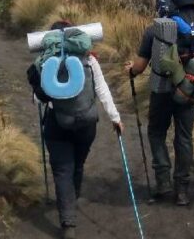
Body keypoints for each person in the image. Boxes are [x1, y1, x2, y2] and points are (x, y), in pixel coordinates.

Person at [28, 20, 124, 239]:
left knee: (62, 170)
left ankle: (68, 223)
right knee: (77, 165)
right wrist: (115, 118)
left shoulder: (45, 62)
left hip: (56, 124)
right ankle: (73, 196)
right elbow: (101, 89)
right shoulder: (89, 60)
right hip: (86, 124)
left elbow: (37, 99)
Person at [125, 0, 194, 207]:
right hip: (189, 88)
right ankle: (182, 191)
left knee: (157, 132)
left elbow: (140, 67)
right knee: (184, 137)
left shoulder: (153, 30)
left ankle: (163, 182)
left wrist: (131, 70)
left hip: (161, 90)